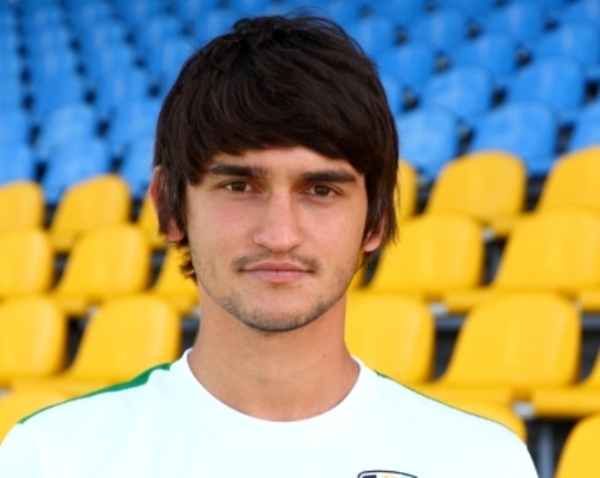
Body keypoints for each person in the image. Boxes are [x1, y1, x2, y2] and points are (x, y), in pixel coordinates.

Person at [0, 14, 538, 478]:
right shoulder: (54, 457)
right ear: (169, 206)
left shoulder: (479, 462)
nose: (280, 234)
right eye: (240, 186)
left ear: (376, 218)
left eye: (321, 190)